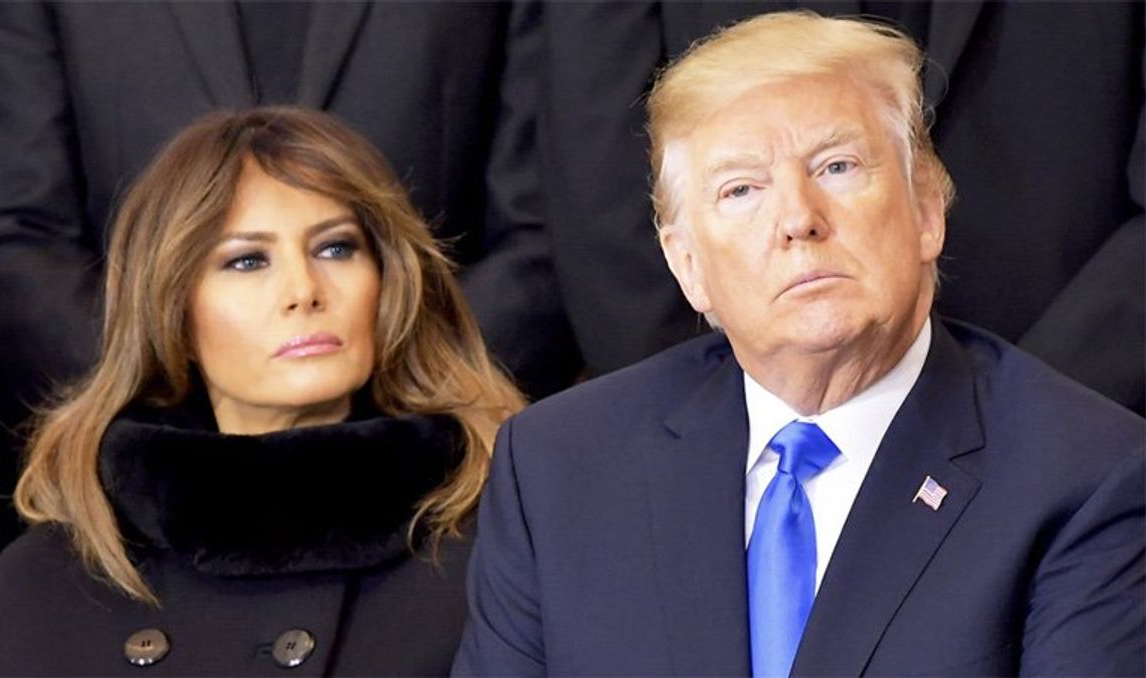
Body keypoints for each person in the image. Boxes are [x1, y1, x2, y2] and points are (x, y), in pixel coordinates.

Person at [454, 12, 1145, 676]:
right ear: (687, 264)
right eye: (741, 189)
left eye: (837, 166)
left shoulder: (1085, 476)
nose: (797, 218)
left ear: (927, 212)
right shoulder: (558, 468)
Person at [0, 107, 523, 675]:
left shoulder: (502, 542)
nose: (303, 290)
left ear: (388, 279)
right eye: (247, 260)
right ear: (173, 313)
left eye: (335, 248)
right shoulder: (50, 579)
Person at [536, 1, 1144, 413]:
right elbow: (597, 152)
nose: (801, 218)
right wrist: (706, 415)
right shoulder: (555, 464)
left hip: (1088, 400)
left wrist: (1031, 418)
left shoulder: (1083, 455)